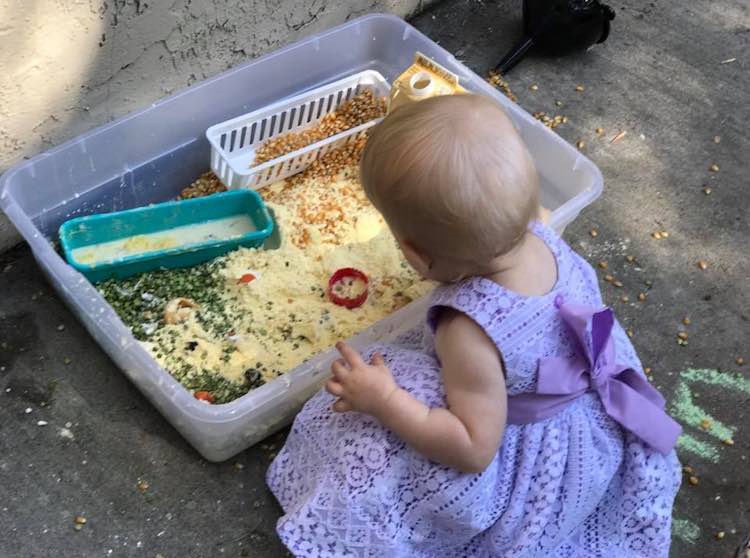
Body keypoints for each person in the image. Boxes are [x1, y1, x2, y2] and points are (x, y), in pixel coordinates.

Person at [267, 94, 682, 557]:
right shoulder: (541, 235)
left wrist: (384, 401)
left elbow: (471, 449)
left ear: (419, 255)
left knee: (368, 414)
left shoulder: (468, 326)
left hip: (531, 461)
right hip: (592, 417)